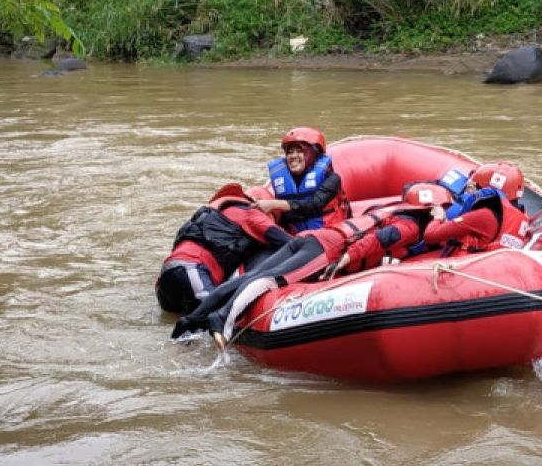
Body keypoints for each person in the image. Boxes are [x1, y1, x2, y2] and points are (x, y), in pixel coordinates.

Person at [171, 182, 445, 351]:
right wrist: (342, 262)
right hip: (327, 250)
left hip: (311, 239)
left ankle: (190, 321)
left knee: (255, 274)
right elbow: (375, 241)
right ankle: (222, 320)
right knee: (269, 280)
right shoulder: (410, 225)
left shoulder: (389, 210)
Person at [155, 183, 292, 314]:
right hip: (192, 271)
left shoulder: (215, 213)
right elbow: (291, 243)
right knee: (215, 321)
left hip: (165, 278)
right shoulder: (252, 214)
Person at [422, 161, 532, 254]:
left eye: (476, 187)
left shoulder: (484, 215)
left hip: (462, 270)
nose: (473, 191)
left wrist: (438, 216)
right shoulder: (523, 216)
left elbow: (430, 236)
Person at [256, 127, 348, 232]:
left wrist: (274, 204)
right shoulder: (282, 180)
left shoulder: (332, 179)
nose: (293, 156)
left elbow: (314, 205)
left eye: (299, 151)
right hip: (295, 236)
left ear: (313, 154)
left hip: (328, 234)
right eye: (290, 152)